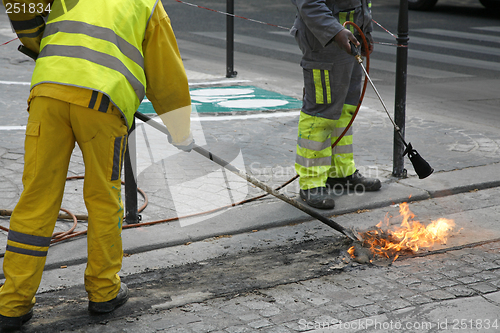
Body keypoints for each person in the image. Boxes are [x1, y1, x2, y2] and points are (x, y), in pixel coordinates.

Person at [0, 0, 193, 330]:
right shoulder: (149, 5)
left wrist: (38, 41)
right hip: (103, 102)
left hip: (49, 93)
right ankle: (104, 291)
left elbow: (18, 4)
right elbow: (167, 75)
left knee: (36, 199)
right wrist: (180, 130)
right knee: (103, 198)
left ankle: (12, 303)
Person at [291, 0, 381, 210]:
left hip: (350, 39)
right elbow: (309, 4)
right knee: (321, 115)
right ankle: (311, 183)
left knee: (345, 110)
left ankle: (340, 173)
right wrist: (335, 32)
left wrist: (366, 30)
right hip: (324, 43)